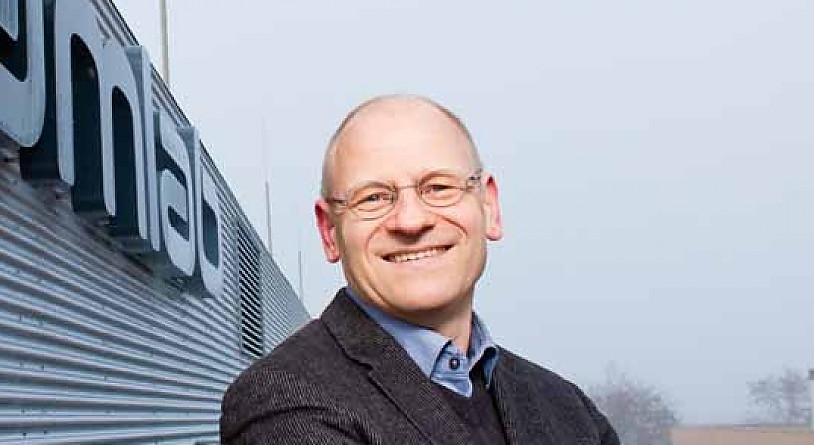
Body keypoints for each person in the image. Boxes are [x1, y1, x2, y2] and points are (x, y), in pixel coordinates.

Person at [220, 95, 620, 445]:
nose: (411, 221)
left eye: (439, 187)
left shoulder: (570, 409)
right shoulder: (283, 403)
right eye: (373, 198)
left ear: (489, 208)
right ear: (329, 232)